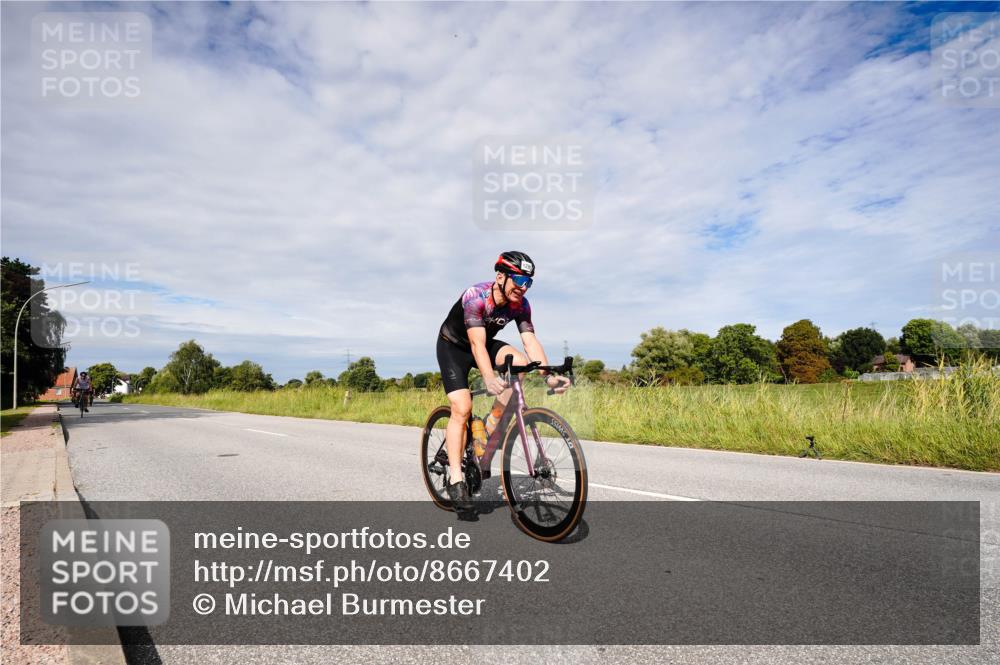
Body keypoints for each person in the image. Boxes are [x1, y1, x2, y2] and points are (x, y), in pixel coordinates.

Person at [436, 251, 571, 511]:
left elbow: (529, 341)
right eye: (519, 280)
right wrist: (488, 377)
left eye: (528, 282)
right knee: (462, 407)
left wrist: (548, 377)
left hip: (483, 343)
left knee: (519, 362)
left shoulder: (521, 305)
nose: (523, 287)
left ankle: (489, 427)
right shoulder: (476, 296)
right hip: (453, 347)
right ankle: (455, 478)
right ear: (500, 276)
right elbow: (476, 344)